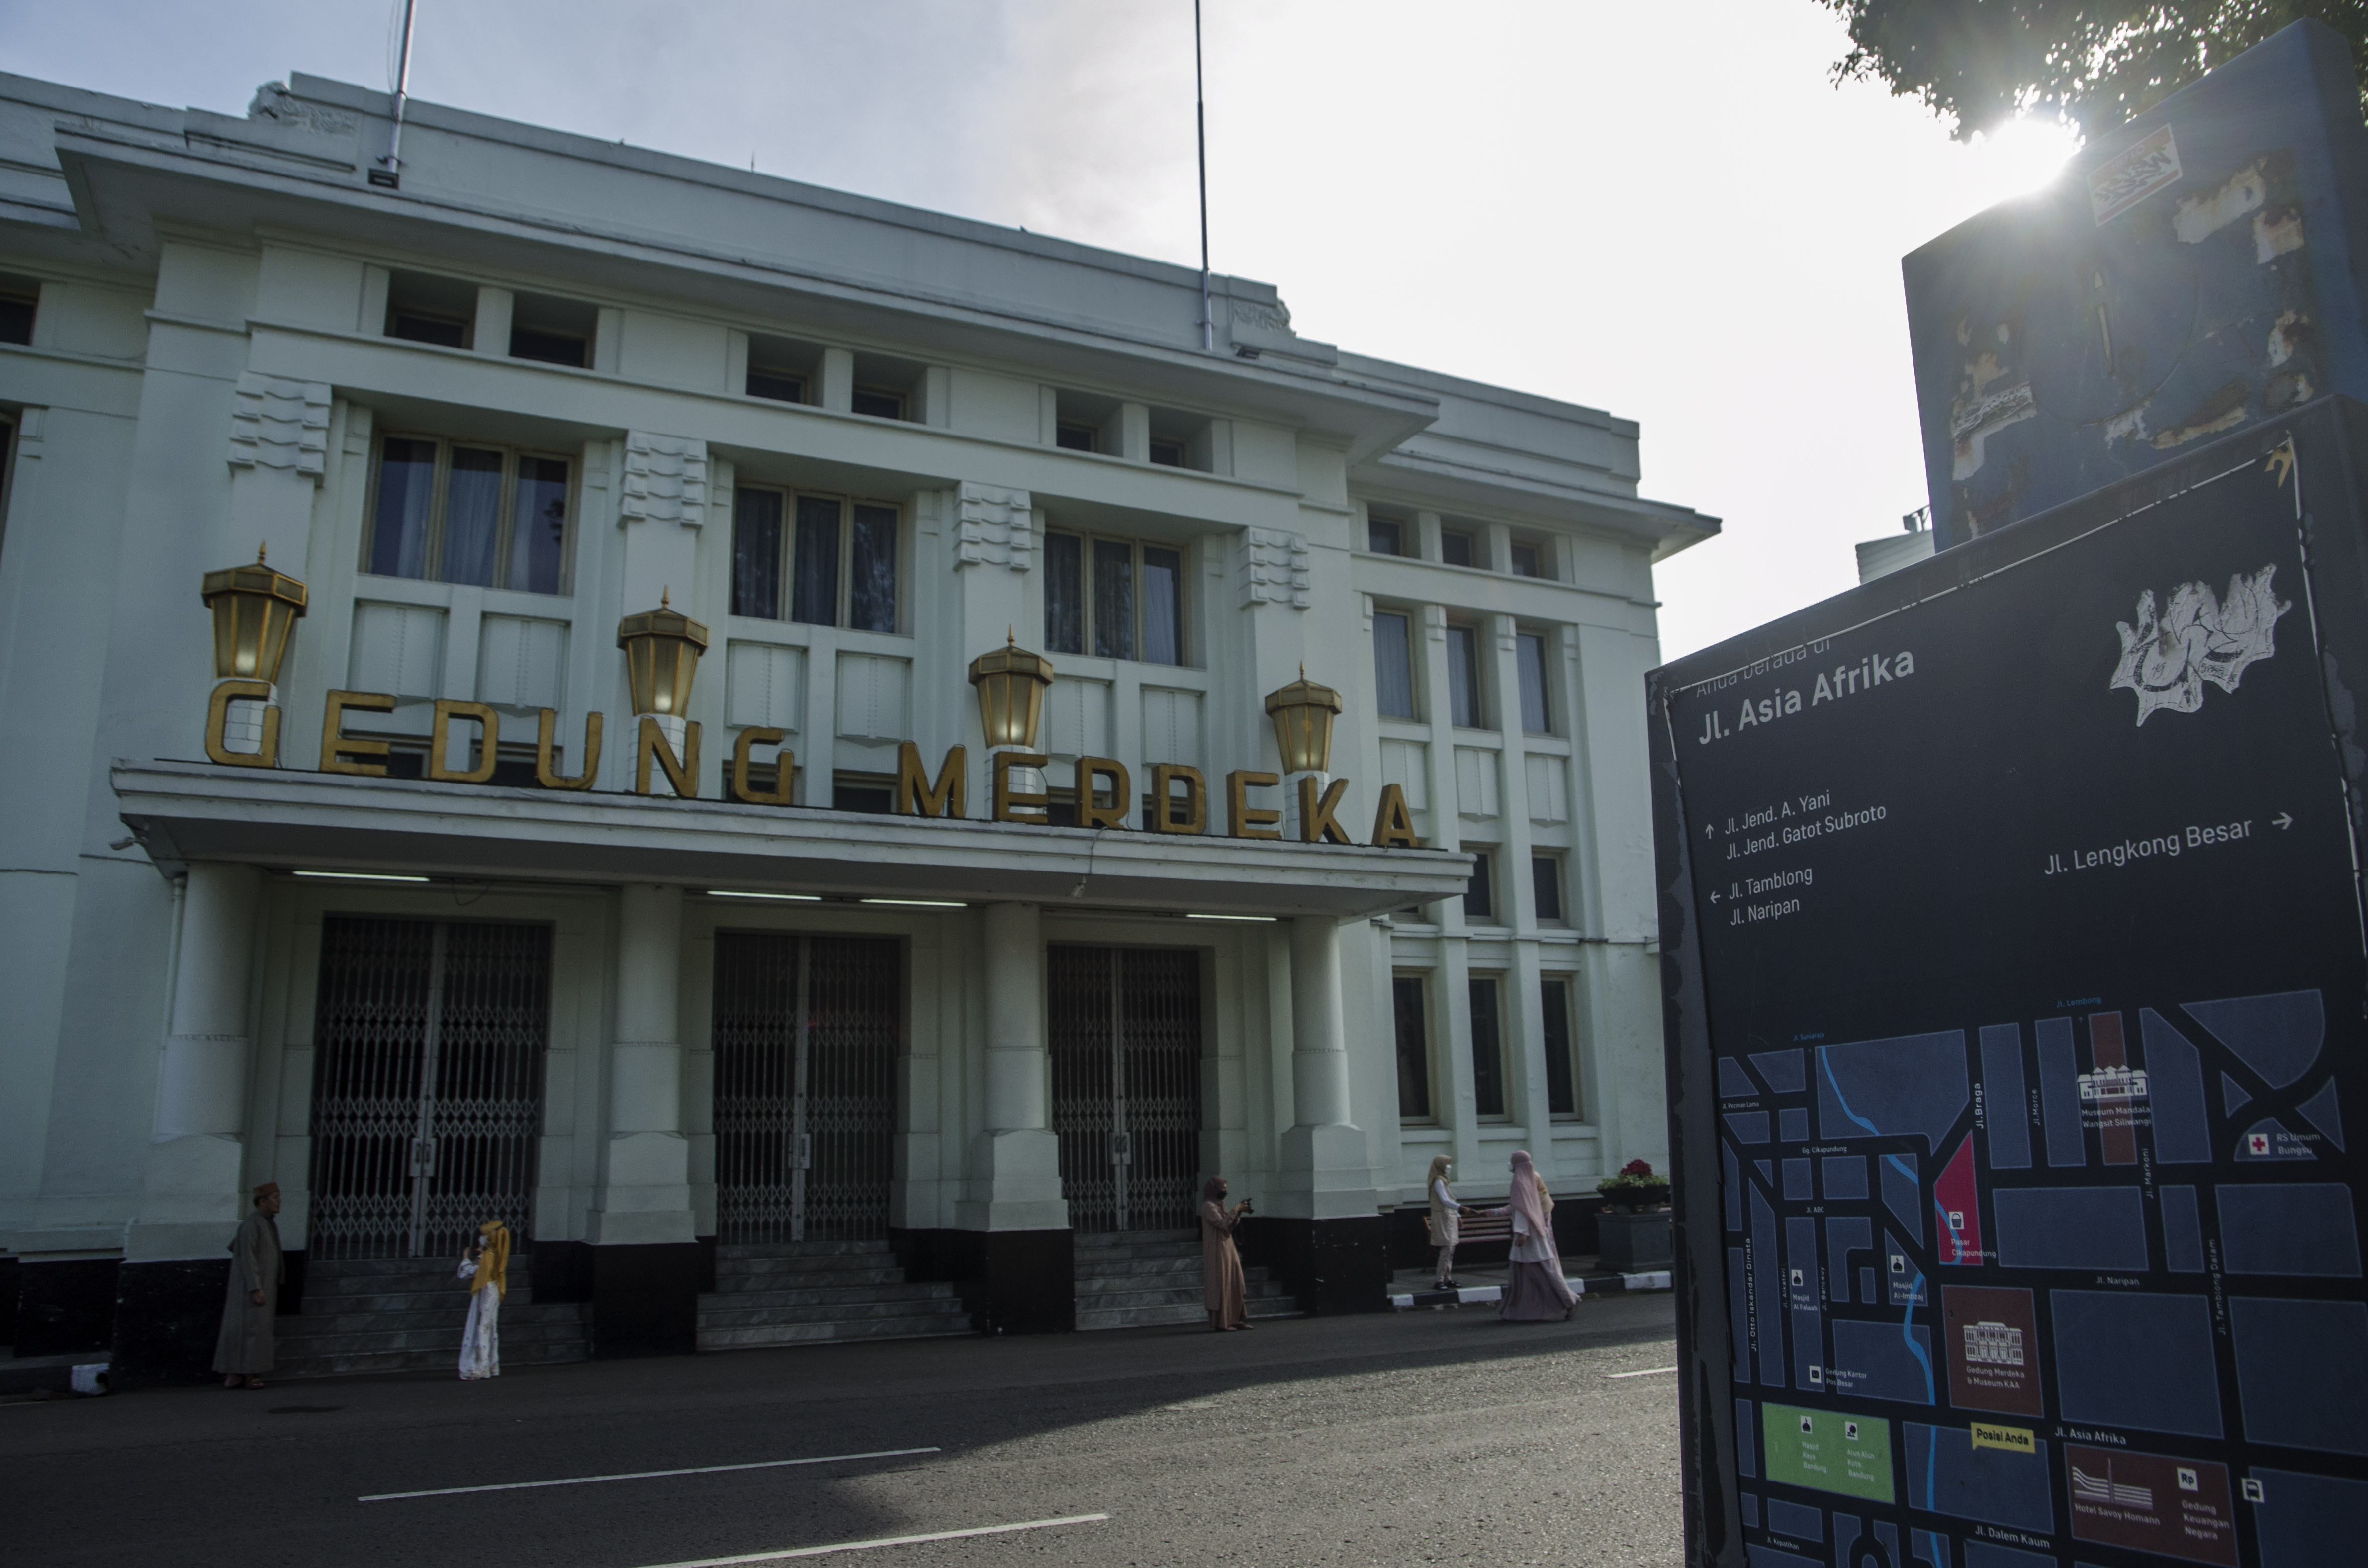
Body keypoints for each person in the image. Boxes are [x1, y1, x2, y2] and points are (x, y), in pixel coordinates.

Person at [213, 1181, 284, 1389]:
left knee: (252, 1331)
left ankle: (238, 1373)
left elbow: (235, 1246)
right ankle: (247, 1374)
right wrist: (255, 1287)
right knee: (250, 1331)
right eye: (275, 1198)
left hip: (261, 1287)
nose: (279, 1202)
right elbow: (247, 1256)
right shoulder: (252, 1224)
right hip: (252, 1289)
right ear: (262, 1202)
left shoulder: (265, 1222)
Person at [1494, 1150, 1578, 1321]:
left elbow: (1523, 1209)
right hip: (1535, 1235)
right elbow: (1519, 1207)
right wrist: (1489, 1213)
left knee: (1540, 1275)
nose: (1510, 1164)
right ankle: (1515, 1311)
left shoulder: (1520, 1182)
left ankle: (1570, 1301)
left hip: (1528, 1239)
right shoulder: (1531, 1178)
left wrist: (1522, 1232)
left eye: (1512, 1161)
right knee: (1528, 1276)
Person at [457, 1219, 510, 1381]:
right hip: (493, 1291)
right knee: (491, 1328)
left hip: (486, 1293)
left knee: (481, 1328)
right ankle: (492, 1364)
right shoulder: (496, 1254)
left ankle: (480, 1367)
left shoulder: (488, 1258)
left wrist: (466, 1259)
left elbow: (467, 1273)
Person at [1199, 1176, 1253, 1332]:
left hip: (1228, 1247)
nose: (1224, 1192)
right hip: (1217, 1250)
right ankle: (1222, 1322)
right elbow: (1223, 1224)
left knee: (1234, 1281)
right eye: (1222, 1189)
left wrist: (1239, 1213)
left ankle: (1235, 1319)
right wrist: (1235, 1210)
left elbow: (1229, 1226)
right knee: (1222, 1284)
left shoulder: (1220, 1204)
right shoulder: (1209, 1206)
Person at [1426, 1155, 1464, 1289]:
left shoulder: (1443, 1180)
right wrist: (1460, 1208)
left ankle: (1448, 1278)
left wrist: (1458, 1216)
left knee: (1451, 1249)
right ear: (1440, 1166)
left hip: (1449, 1216)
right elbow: (1445, 1200)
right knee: (1447, 1248)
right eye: (1447, 1164)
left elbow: (1449, 1201)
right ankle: (1439, 1280)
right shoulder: (1438, 1181)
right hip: (1443, 1217)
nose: (1449, 1167)